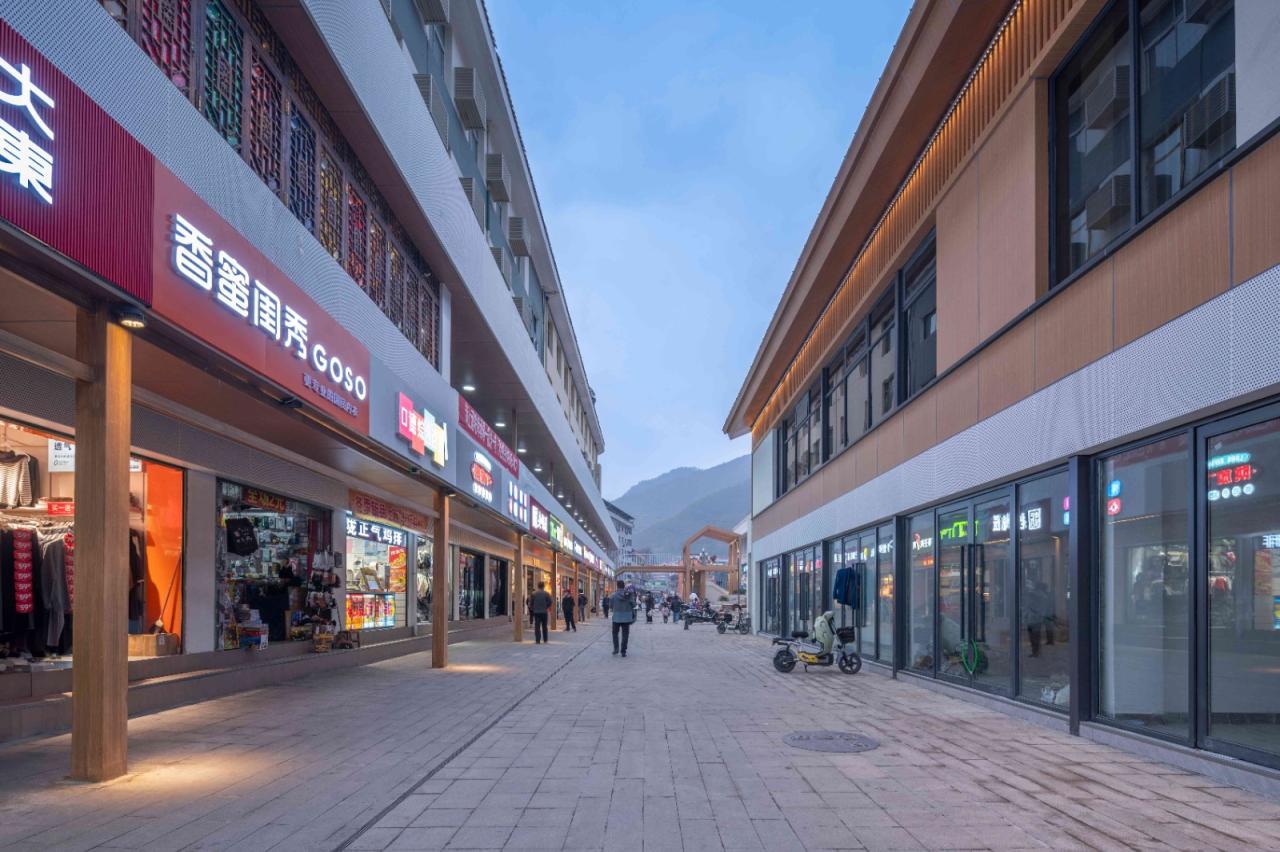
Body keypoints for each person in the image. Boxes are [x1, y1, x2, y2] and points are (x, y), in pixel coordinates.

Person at [609, 579, 636, 657]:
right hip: (627, 618)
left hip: (616, 618)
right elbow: (634, 604)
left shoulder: (613, 595)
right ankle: (623, 651)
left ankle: (616, 649)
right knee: (625, 634)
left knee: (615, 633)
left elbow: (610, 606)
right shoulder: (629, 595)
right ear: (624, 586)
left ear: (617, 586)